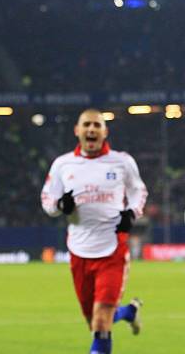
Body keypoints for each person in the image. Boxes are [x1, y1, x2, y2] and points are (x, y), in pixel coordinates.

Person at [41, 109, 148, 354]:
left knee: (101, 322)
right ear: (77, 131)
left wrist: (131, 213)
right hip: (79, 250)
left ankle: (120, 317)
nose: (91, 129)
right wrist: (60, 206)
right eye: (86, 125)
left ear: (104, 132)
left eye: (96, 125)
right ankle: (129, 311)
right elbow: (47, 199)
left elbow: (138, 191)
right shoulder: (63, 164)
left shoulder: (122, 162)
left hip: (113, 248)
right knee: (95, 323)